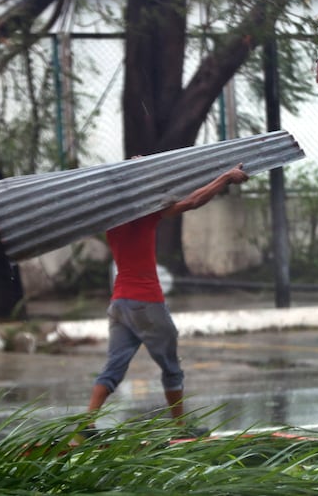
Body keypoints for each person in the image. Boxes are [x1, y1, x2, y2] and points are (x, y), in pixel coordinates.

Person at [84, 162, 249, 435]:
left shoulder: (111, 219)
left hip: (120, 304)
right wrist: (225, 178)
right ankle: (181, 429)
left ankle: (84, 426)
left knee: (112, 369)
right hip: (146, 302)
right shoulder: (143, 212)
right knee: (172, 368)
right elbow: (194, 200)